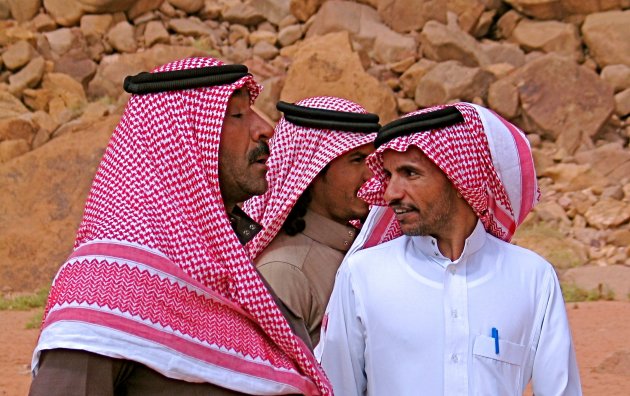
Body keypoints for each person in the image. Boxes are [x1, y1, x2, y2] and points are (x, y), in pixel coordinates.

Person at [29, 57, 331, 396]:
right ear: (178, 142)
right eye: (236, 115)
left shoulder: (224, 271)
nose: (265, 128)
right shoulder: (104, 288)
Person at [316, 103, 582, 395]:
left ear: (459, 178)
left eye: (410, 173)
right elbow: (336, 387)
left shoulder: (532, 278)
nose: (391, 193)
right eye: (390, 175)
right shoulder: (363, 275)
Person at [243, 97, 380, 346]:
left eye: (373, 161)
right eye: (357, 160)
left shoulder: (359, 248)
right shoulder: (284, 272)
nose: (372, 175)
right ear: (313, 172)